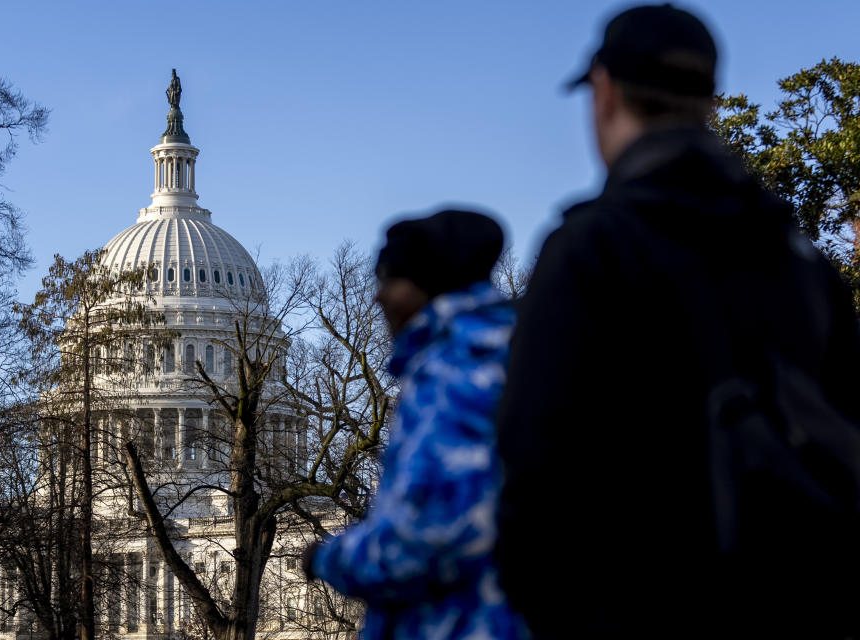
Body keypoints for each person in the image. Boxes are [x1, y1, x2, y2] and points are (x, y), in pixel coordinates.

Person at [495, 4, 860, 638]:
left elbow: (530, 473)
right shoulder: (799, 259)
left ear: (604, 92)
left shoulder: (590, 249)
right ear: (709, 98)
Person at [303, 209, 530, 640]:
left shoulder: (455, 369)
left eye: (388, 279)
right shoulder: (505, 348)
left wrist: (329, 559)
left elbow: (433, 532)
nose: (378, 296)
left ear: (424, 284)